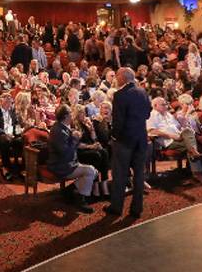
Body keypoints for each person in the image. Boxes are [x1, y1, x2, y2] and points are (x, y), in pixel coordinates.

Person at [106, 67, 151, 218]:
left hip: (124, 141)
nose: (116, 78)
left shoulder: (120, 95)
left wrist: (113, 136)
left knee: (119, 175)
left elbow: (118, 122)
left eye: (117, 75)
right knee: (139, 175)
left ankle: (116, 208)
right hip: (141, 139)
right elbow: (147, 113)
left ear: (123, 77)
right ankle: (136, 209)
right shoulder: (143, 92)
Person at [47, 105, 97, 213]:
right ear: (65, 116)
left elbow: (75, 145)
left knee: (94, 171)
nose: (72, 115)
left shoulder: (63, 127)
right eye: (70, 113)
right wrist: (74, 138)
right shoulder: (58, 131)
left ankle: (69, 192)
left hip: (69, 163)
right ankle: (80, 200)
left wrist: (90, 146)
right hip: (61, 166)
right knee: (90, 171)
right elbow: (65, 152)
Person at [0, 92, 24, 181]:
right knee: (5, 139)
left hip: (11, 135)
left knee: (21, 140)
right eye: (7, 102)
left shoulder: (12, 110)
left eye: (10, 102)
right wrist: (5, 133)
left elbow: (16, 123)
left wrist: (19, 133)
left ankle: (20, 167)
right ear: (0, 101)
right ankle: (5, 168)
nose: (9, 104)